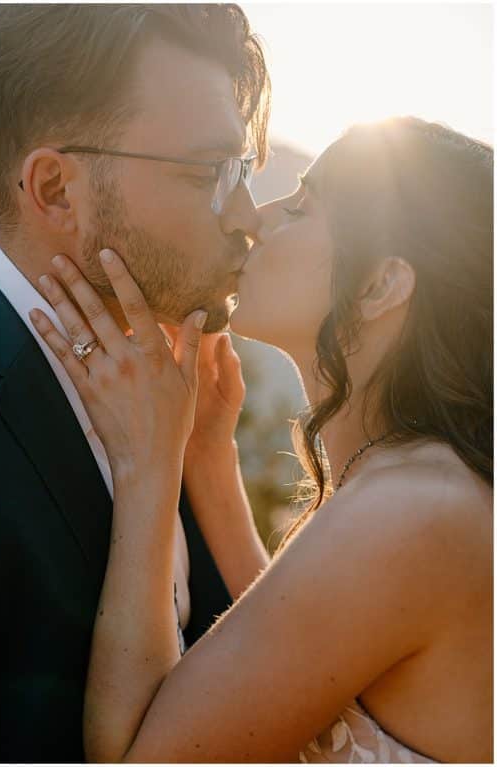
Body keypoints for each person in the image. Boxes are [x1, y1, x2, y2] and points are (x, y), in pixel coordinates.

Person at [31, 116, 493, 762]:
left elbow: (139, 756)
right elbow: (298, 651)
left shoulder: (416, 510)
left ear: (380, 284)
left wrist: (150, 461)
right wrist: (207, 456)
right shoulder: (421, 485)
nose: (256, 220)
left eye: (302, 207)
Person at [0, 4, 268, 760]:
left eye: (241, 173)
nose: (247, 217)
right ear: (54, 190)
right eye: (209, 174)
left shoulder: (173, 386)